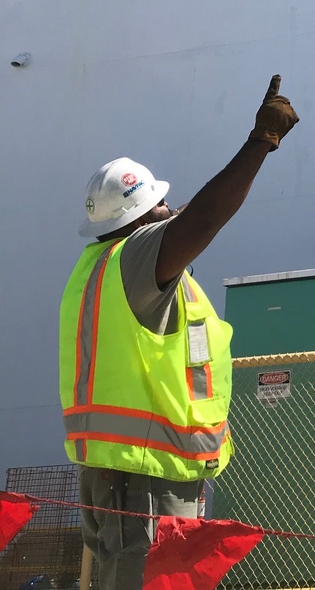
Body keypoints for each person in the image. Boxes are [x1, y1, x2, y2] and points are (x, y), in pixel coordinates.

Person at [59, 75, 299, 590]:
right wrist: (260, 144)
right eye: (161, 205)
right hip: (143, 477)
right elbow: (204, 216)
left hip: (123, 471)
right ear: (143, 219)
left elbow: (188, 212)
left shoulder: (101, 264)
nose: (173, 208)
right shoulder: (141, 257)